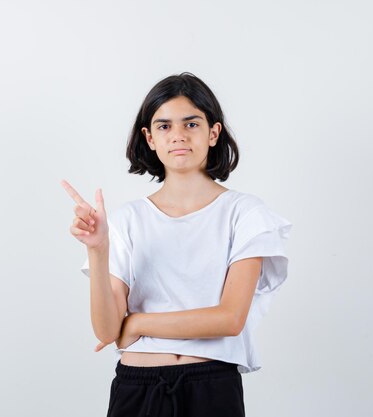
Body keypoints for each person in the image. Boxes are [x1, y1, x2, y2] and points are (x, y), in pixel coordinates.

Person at [60, 72, 293, 417]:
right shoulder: (127, 220)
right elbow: (108, 330)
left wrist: (137, 323)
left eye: (191, 124)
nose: (178, 135)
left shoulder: (245, 214)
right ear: (149, 138)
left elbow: (229, 319)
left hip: (211, 386)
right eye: (164, 126)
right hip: (137, 386)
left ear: (213, 133)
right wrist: (98, 249)